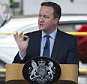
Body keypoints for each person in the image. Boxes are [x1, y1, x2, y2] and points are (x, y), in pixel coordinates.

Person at [13, 1, 78, 64]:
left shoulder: (69, 41)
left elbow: (73, 71)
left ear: (55, 20)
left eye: (45, 17)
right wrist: (22, 52)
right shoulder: (28, 38)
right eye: (40, 16)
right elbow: (15, 69)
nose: (41, 20)